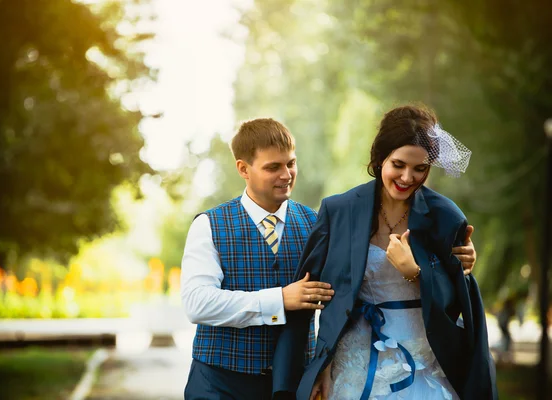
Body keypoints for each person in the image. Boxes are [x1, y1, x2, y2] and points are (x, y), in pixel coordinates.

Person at [272, 104, 495, 400]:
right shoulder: (338, 210)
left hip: (424, 366)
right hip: (352, 367)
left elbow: (457, 304)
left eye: (420, 168)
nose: (407, 177)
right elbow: (307, 298)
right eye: (398, 164)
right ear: (380, 159)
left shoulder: (446, 217)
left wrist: (416, 273)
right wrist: (313, 371)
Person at [180, 118, 335, 400]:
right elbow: (197, 303)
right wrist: (279, 300)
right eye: (273, 167)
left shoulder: (316, 223)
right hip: (219, 384)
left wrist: (323, 369)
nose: (286, 174)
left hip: (294, 384)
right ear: (243, 169)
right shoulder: (209, 225)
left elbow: (337, 304)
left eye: (291, 163)